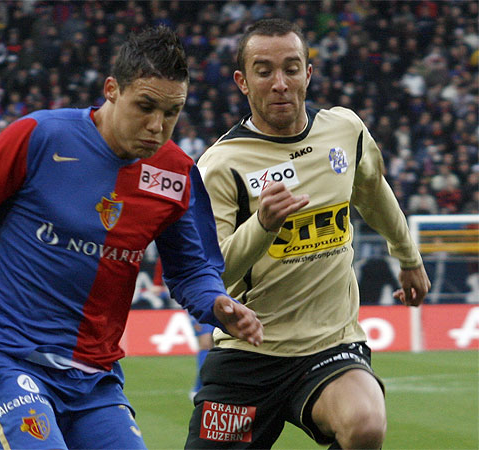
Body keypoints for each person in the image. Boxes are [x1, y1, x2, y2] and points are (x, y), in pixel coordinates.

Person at [0, 26, 263, 450]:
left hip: (95, 379)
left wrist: (217, 302)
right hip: (8, 358)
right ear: (111, 90)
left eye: (172, 112)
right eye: (145, 106)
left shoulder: (175, 173)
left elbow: (192, 268)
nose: (157, 126)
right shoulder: (39, 137)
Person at [185, 18, 431, 450]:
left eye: (291, 68)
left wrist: (408, 258)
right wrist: (262, 226)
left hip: (330, 345)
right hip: (248, 354)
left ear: (308, 73)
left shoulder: (344, 131)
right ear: (243, 82)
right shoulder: (220, 166)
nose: (280, 83)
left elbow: (373, 193)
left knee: (365, 424)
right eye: (264, 71)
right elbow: (212, 274)